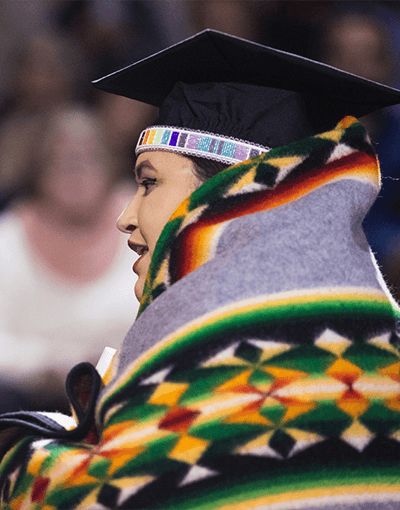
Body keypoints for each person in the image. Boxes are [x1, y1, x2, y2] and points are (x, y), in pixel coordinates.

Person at [1, 29, 400, 509]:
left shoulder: (231, 369)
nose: (125, 215)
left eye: (149, 183)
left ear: (227, 198)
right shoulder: (375, 349)